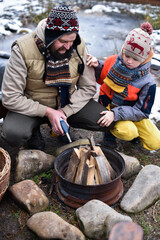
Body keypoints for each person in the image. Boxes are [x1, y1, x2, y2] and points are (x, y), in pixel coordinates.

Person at [1, 5, 114, 150]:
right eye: (62, 41)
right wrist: (48, 112)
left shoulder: (78, 46)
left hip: (66, 103)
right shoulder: (22, 49)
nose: (68, 47)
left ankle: (60, 126)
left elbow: (88, 87)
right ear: (50, 37)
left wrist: (63, 112)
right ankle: (34, 131)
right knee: (13, 134)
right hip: (33, 105)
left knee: (103, 121)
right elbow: (10, 97)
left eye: (71, 40)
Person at [87, 22, 160, 151]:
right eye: (127, 55)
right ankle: (109, 137)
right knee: (126, 132)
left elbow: (142, 111)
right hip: (109, 106)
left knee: (156, 143)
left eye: (135, 59)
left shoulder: (148, 83)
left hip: (134, 112)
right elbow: (101, 77)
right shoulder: (112, 61)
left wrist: (116, 114)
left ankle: (134, 131)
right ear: (123, 50)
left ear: (144, 58)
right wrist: (96, 65)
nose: (129, 61)